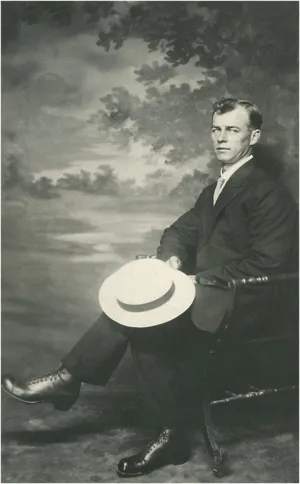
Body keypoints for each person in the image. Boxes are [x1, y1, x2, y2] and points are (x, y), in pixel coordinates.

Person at [2, 98, 297, 478]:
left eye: (233, 130)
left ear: (253, 137)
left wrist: (199, 279)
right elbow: (177, 232)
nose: (221, 138)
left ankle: (73, 382)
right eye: (216, 129)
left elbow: (267, 264)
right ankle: (154, 424)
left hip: (248, 304)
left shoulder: (269, 194)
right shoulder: (213, 191)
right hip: (208, 292)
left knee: (144, 320)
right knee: (137, 305)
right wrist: (171, 260)